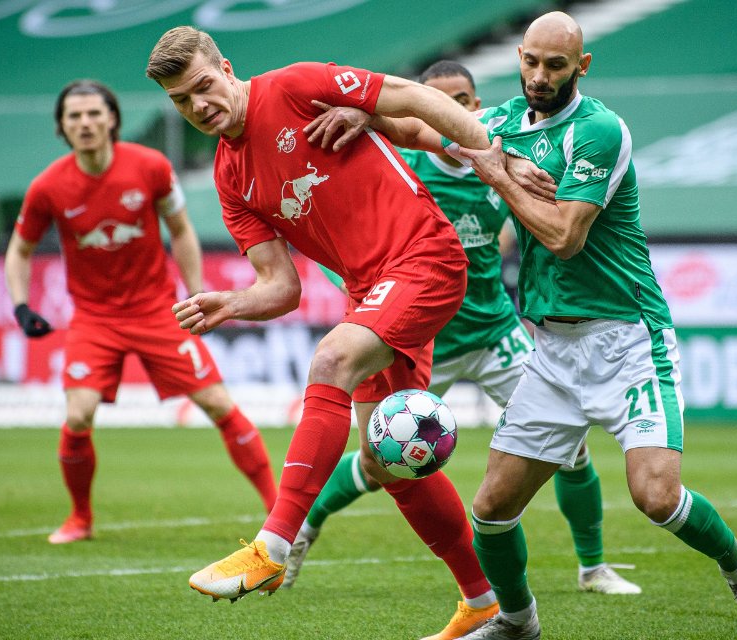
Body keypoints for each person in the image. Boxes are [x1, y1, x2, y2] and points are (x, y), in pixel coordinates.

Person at [306, 12, 737, 640]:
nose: (538, 75)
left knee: (656, 497)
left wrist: (496, 173)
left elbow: (563, 237)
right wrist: (369, 117)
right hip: (553, 349)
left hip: (628, 340)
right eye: (530, 61)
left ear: (581, 67)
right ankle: (516, 622)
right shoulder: (504, 121)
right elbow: (429, 132)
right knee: (492, 509)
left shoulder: (598, 132)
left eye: (554, 65)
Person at [144, 25, 553, 638]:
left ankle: (273, 547)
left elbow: (412, 98)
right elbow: (282, 288)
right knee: (389, 463)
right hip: (372, 291)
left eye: (203, 86)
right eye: (181, 101)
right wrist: (230, 303)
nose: (199, 106)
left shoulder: (294, 85)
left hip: (426, 257)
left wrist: (488, 152)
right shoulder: (231, 178)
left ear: (226, 68)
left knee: (331, 359)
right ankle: (485, 602)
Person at [283, 61, 642, 612]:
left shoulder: (504, 164)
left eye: (467, 100)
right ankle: (303, 529)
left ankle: (593, 567)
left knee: (570, 447)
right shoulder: (397, 170)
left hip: (496, 330)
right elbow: (347, 256)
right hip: (422, 339)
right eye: (442, 100)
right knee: (382, 463)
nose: (461, 112)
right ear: (420, 108)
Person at [4, 79, 278, 545]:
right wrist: (21, 306)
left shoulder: (150, 167)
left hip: (157, 310)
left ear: (112, 118)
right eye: (75, 116)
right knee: (79, 415)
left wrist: (196, 293)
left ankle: (279, 513)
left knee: (217, 404)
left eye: (94, 113)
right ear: (62, 127)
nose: (85, 123)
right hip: (94, 318)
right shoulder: (48, 186)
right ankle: (80, 518)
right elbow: (19, 251)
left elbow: (183, 231)